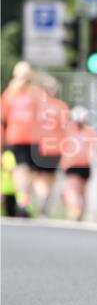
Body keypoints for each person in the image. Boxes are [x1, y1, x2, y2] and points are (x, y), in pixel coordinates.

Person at [0, 61, 41, 217]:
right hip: (18, 137)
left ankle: (24, 200)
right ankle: (23, 201)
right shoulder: (10, 93)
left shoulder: (33, 92)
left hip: (31, 138)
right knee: (22, 169)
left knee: (28, 170)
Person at [31, 73, 69, 217]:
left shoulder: (37, 106)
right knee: (50, 175)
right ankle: (46, 197)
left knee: (36, 175)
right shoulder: (61, 106)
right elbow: (66, 128)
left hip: (38, 144)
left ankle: (42, 195)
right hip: (56, 146)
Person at [60, 106, 97, 220]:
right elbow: (95, 150)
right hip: (84, 165)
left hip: (72, 164)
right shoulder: (89, 131)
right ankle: (80, 213)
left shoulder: (68, 130)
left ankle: (76, 212)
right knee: (80, 192)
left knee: (74, 191)